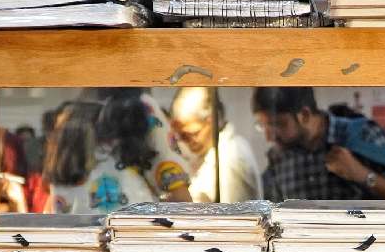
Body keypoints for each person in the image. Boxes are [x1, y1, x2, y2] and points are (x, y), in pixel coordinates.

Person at [44, 90, 192, 214]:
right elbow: (175, 186)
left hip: (77, 232)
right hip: (128, 231)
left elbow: (56, 197)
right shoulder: (141, 106)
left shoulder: (68, 115)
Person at [251, 87, 385, 202]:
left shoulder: (362, 134)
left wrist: (363, 175)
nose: (269, 138)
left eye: (277, 124)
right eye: (262, 126)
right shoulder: (278, 156)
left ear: (304, 115)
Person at [170, 87, 262, 203]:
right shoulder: (213, 153)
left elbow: (232, 213)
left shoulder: (230, 157)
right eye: (182, 136)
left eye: (192, 134)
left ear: (211, 120)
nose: (186, 142)